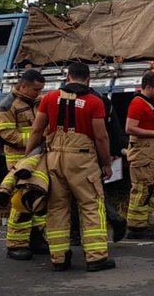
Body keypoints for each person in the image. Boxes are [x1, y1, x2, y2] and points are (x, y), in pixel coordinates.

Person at [25, 62, 115, 272]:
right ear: (88, 80)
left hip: (54, 158)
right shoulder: (95, 101)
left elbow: (37, 131)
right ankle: (96, 258)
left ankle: (59, 258)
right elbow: (101, 137)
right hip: (82, 161)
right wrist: (106, 164)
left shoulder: (49, 98)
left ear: (67, 77)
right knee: (91, 206)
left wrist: (28, 159)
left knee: (57, 208)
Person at [0, 69, 46, 260]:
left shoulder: (38, 102)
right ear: (23, 85)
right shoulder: (6, 105)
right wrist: (35, 138)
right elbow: (5, 134)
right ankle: (15, 245)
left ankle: (36, 239)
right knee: (21, 203)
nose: (38, 93)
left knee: (39, 200)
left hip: (38, 158)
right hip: (18, 161)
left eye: (41, 90)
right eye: (35, 89)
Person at [70, 87, 128, 245]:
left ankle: (74, 234)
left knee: (73, 192)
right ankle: (114, 219)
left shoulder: (73, 101)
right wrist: (113, 152)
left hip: (77, 152)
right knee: (95, 191)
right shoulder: (103, 100)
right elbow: (113, 128)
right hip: (97, 153)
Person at [125, 71, 154, 240]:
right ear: (148, 87)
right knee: (143, 188)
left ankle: (146, 217)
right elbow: (129, 128)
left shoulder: (151, 103)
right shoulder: (138, 104)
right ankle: (136, 226)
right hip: (144, 151)